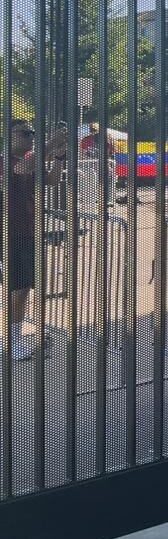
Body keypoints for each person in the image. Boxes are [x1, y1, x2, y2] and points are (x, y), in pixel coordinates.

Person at [2, 120, 68, 361]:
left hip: (28, 231)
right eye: (25, 133)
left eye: (33, 133)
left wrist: (59, 157)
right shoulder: (5, 160)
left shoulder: (31, 159)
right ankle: (12, 342)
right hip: (10, 233)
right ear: (9, 136)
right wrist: (51, 144)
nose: (31, 137)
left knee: (23, 287)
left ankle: (12, 339)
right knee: (17, 289)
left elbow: (51, 181)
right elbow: (20, 170)